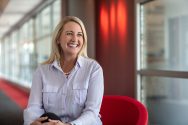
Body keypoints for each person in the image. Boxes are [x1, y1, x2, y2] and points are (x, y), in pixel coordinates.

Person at [23, 16, 104, 125]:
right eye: (69, 33)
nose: (75, 39)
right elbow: (33, 107)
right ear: (58, 39)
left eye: (79, 34)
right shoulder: (42, 71)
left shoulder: (93, 69)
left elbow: (92, 112)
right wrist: (32, 123)